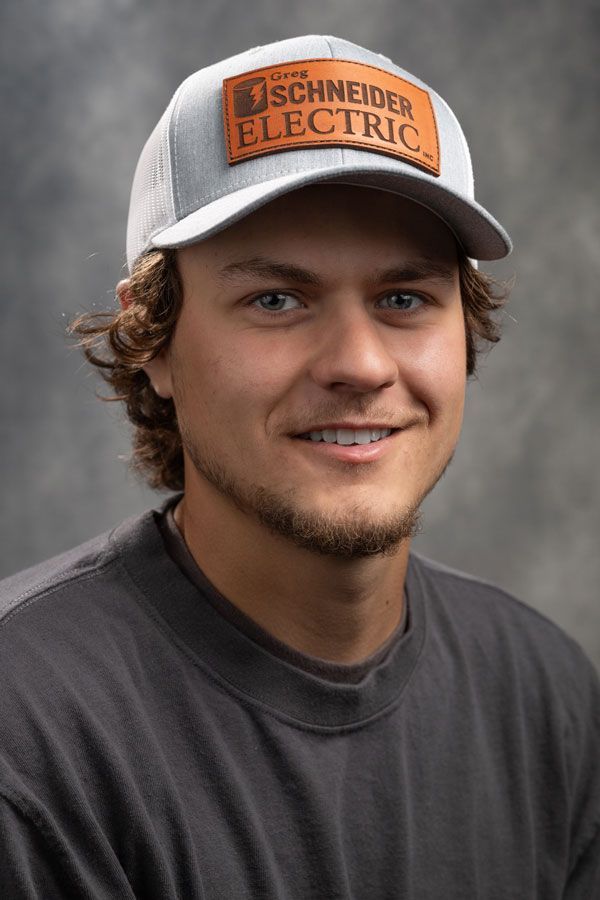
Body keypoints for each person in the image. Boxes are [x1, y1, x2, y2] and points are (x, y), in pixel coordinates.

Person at [0, 34, 598, 899]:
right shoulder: (26, 731)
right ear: (154, 340)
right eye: (275, 299)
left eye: (405, 299)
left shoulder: (545, 692)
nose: (358, 363)